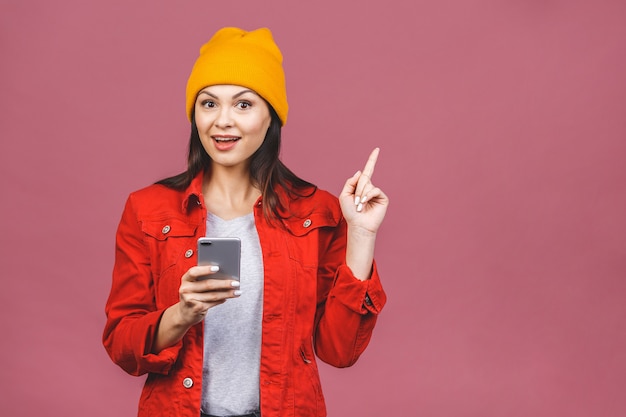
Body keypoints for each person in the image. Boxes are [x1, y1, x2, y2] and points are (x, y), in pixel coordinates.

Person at [103, 27, 388, 417]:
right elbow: (122, 344)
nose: (222, 121)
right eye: (208, 104)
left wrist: (361, 233)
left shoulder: (316, 213)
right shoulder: (148, 210)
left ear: (270, 115)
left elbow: (339, 351)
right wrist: (181, 314)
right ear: (194, 115)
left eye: (242, 105)